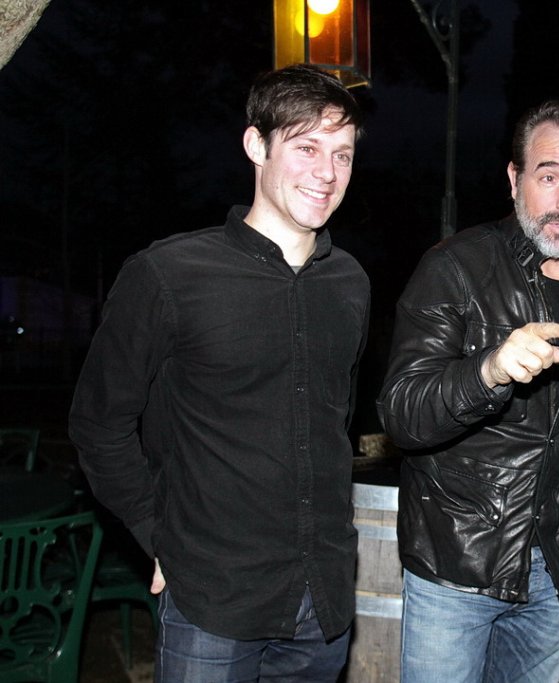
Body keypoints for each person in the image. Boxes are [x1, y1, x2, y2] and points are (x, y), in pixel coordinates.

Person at [68, 64, 369, 682]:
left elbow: (335, 423)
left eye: (342, 154)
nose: (327, 172)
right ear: (256, 145)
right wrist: (156, 533)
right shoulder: (168, 274)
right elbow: (99, 424)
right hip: (212, 597)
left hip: (325, 598)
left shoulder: (352, 283)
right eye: (306, 147)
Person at [376, 100, 559, 683]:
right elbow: (402, 414)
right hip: (454, 566)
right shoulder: (456, 268)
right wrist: (489, 372)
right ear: (514, 179)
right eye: (549, 177)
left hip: (556, 573)